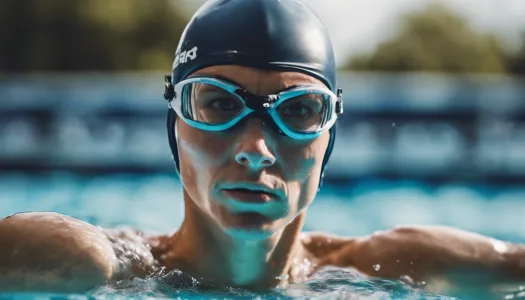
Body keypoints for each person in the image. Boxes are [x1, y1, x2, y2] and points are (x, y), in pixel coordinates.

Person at [1, 0, 525, 296]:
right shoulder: (93, 265)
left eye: (298, 111)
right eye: (218, 104)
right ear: (175, 128)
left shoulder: (390, 268)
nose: (256, 148)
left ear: (329, 138)